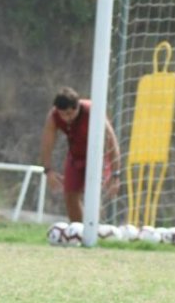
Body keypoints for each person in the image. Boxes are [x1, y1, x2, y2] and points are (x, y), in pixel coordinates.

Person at [39, 86, 122, 224]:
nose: (67, 118)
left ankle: (96, 231)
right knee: (70, 196)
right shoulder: (53, 117)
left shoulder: (92, 111)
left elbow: (111, 141)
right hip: (75, 158)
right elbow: (47, 144)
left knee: (93, 196)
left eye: (71, 113)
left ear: (78, 107)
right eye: (63, 114)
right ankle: (77, 232)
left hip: (98, 157)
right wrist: (48, 171)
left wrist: (116, 174)